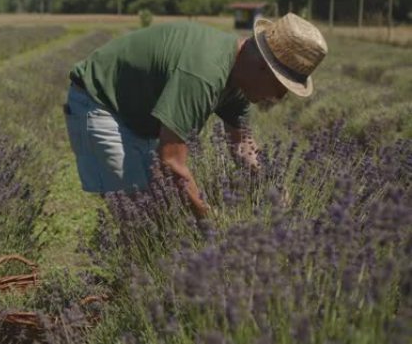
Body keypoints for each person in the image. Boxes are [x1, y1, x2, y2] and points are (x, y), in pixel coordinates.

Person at [64, 13, 328, 217]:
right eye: (281, 87)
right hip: (100, 102)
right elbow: (171, 162)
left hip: (137, 114)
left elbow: (243, 147)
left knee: (163, 209)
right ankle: (133, 283)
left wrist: (278, 195)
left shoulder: (238, 80)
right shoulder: (203, 75)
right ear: (261, 67)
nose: (280, 98)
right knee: (139, 214)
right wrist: (210, 221)